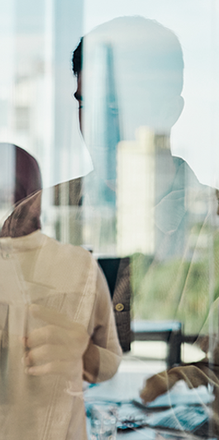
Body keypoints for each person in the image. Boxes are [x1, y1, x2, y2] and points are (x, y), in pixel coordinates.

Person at [53, 16, 219, 438]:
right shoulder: (38, 219)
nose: (99, 125)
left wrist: (162, 391)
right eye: (87, 105)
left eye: (118, 106)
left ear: (171, 108)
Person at [0, 143, 122, 440]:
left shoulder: (80, 265)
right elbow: (109, 365)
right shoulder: (80, 263)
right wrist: (83, 353)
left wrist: (79, 350)